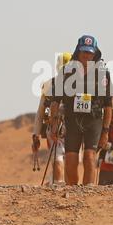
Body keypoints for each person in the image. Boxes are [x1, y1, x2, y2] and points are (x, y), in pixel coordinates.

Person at [50, 35, 112, 185]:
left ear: (95, 53)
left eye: (90, 52)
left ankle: (88, 191)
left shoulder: (103, 74)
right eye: (83, 52)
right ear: (77, 52)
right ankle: (72, 191)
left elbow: (108, 106)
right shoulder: (65, 72)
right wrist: (53, 125)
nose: (86, 56)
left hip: (94, 120)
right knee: (71, 156)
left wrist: (105, 132)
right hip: (72, 119)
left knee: (89, 156)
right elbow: (55, 102)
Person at [32, 52, 72, 185]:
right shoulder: (49, 85)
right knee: (60, 157)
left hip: (68, 128)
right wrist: (36, 135)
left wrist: (36, 134)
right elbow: (41, 112)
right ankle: (59, 184)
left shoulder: (48, 84)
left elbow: (40, 113)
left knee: (64, 158)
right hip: (60, 128)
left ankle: (57, 183)